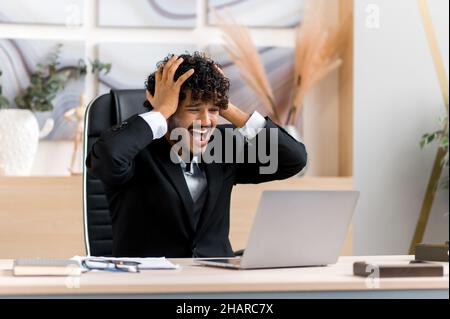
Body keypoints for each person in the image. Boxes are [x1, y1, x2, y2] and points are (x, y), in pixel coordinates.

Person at [86, 52, 307, 258]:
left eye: (213, 111)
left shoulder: (222, 146)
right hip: (152, 285)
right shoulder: (136, 150)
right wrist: (160, 112)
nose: (207, 121)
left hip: (216, 282)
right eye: (194, 109)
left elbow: (294, 159)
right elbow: (108, 160)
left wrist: (226, 107)